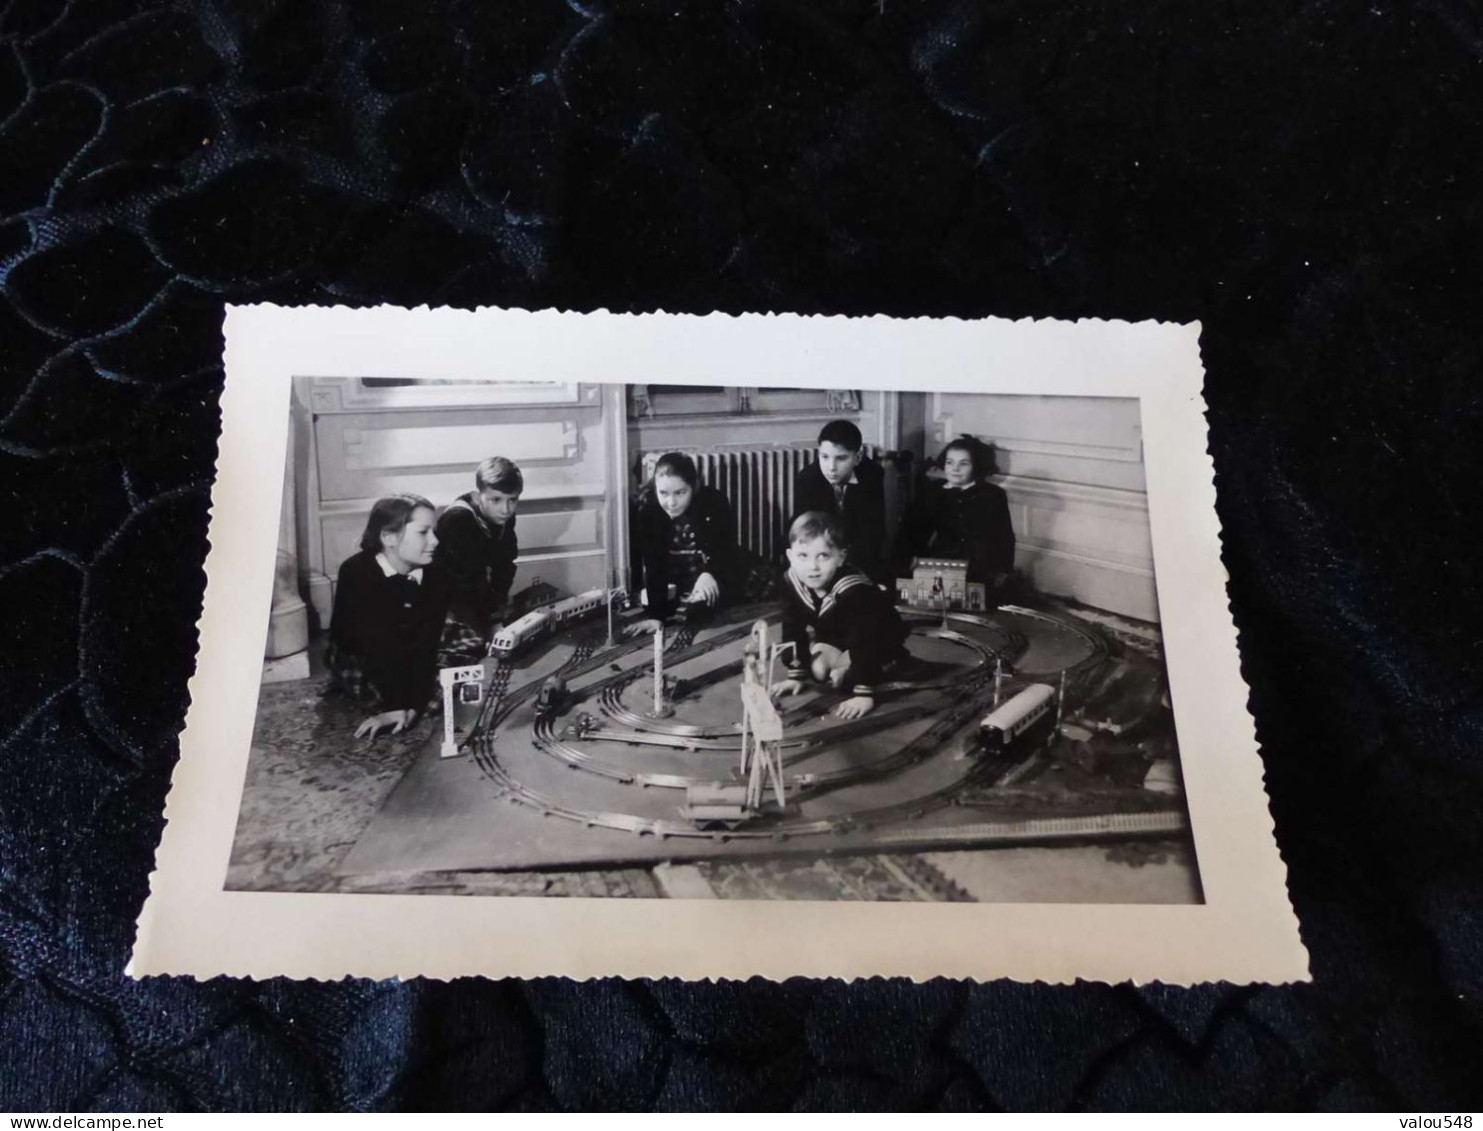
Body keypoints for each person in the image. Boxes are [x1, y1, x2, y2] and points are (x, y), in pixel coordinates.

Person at [326, 494, 450, 739]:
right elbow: (379, 646)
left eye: (433, 531)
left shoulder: (434, 571)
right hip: (364, 658)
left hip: (410, 643)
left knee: (461, 652)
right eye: (423, 532)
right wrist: (396, 706)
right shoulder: (357, 573)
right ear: (388, 537)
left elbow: (427, 643)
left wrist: (412, 705)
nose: (435, 541)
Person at [770, 511, 909, 720]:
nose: (813, 567)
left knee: (854, 676)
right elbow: (792, 628)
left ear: (841, 557)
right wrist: (795, 675)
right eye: (803, 556)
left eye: (823, 556)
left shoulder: (853, 590)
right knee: (817, 671)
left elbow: (865, 638)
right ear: (790, 557)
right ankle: (845, 665)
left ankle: (875, 666)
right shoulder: (791, 582)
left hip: (879, 636)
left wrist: (864, 692)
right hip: (836, 636)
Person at [892, 434, 1015, 599]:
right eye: (950, 462)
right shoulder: (932, 492)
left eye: (963, 464)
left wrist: (1003, 570)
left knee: (979, 600)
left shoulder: (993, 495)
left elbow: (1004, 537)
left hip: (981, 563)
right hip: (942, 559)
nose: (954, 469)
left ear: (977, 465)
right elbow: (912, 532)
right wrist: (910, 560)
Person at [629, 452, 740, 633]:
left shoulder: (714, 501)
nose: (671, 502)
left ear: (693, 487)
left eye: (680, 493)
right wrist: (656, 617)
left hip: (714, 569)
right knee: (684, 611)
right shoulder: (649, 509)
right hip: (677, 576)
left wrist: (709, 573)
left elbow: (726, 549)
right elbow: (654, 564)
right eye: (663, 493)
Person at [434, 456, 522, 664]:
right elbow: (468, 582)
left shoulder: (504, 515)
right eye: (496, 500)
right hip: (445, 601)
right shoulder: (458, 520)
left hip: (473, 595)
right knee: (473, 651)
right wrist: (492, 620)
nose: (506, 509)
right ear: (479, 493)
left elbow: (505, 563)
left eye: (513, 500)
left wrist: (499, 604)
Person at [792, 419, 890, 585]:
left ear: (857, 457)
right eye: (824, 457)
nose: (831, 467)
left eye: (841, 458)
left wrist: (857, 571)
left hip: (858, 553)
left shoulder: (872, 475)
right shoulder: (807, 478)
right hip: (821, 553)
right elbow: (808, 533)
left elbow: (872, 530)